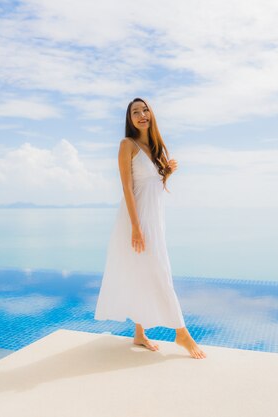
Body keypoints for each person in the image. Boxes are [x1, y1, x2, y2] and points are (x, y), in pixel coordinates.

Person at [94, 98, 206, 359]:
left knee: (143, 271)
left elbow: (152, 187)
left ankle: (139, 333)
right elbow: (127, 188)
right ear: (129, 119)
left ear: (151, 114)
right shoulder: (127, 145)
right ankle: (181, 333)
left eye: (145, 110)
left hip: (154, 220)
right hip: (137, 221)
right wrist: (135, 227)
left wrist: (167, 172)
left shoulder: (153, 148)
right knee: (159, 271)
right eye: (135, 112)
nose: (141, 115)